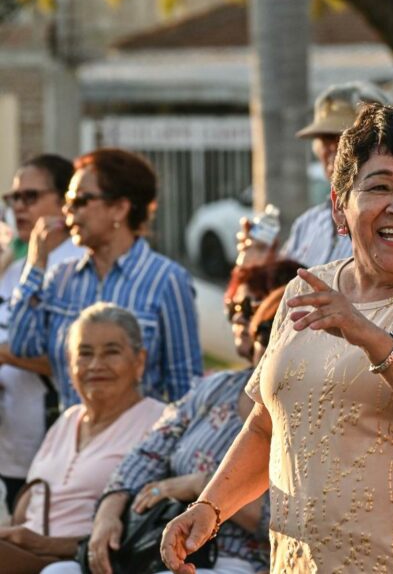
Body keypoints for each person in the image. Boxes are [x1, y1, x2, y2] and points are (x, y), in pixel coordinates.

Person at [161, 103, 393, 573]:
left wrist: (371, 336)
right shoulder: (304, 290)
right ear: (339, 206)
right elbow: (269, 426)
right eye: (380, 186)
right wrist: (210, 508)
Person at [48, 274, 296, 574]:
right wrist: (108, 515)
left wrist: (198, 486)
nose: (262, 340)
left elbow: (287, 519)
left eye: (276, 331)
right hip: (160, 547)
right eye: (262, 330)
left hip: (240, 559)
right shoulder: (216, 388)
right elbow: (146, 454)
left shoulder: (306, 414)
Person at [7, 148, 203, 408]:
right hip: (75, 440)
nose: (68, 212)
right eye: (67, 202)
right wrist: (36, 263)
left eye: (80, 201)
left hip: (141, 441)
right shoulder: (62, 278)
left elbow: (186, 388)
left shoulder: (166, 280)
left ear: (119, 208)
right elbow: (22, 345)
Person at [0, 303, 164, 573]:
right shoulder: (68, 419)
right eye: (84, 354)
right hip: (24, 553)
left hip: (80, 563)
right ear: (70, 365)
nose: (96, 365)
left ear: (139, 361)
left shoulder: (160, 423)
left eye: (112, 352)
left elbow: (141, 534)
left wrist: (43, 544)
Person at [0, 155, 84, 509]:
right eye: (13, 198)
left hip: (55, 440)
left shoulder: (77, 264)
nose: (19, 207)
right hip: (11, 446)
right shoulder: (15, 267)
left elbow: (76, 359)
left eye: (30, 197)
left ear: (63, 201)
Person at [238, 81, 393, 270]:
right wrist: (261, 266)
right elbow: (284, 293)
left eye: (345, 137)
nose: (332, 147)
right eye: (325, 138)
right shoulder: (308, 224)